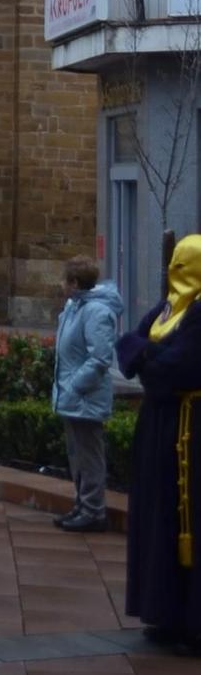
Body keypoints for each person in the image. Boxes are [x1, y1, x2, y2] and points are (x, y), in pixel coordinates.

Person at [117, 233, 201, 650]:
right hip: (159, 426)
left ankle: (193, 622)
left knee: (191, 520)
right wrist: (149, 356)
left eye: (185, 265)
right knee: (158, 516)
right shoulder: (169, 308)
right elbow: (128, 344)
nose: (175, 272)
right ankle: (165, 613)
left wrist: (146, 356)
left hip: (192, 429)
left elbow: (177, 368)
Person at [51, 256, 122, 534]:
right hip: (72, 395)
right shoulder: (73, 307)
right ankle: (82, 504)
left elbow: (100, 358)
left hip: (84, 395)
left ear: (75, 283)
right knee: (76, 453)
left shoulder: (96, 312)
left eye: (64, 279)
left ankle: (94, 510)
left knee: (89, 454)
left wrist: (75, 387)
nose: (60, 285)